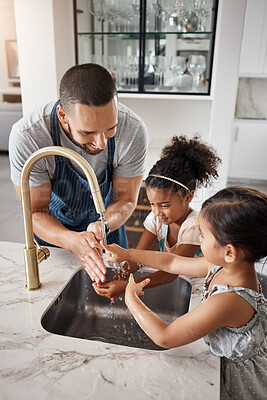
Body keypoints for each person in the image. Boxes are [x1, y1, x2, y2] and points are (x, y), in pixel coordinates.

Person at [100, 187, 267, 400]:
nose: (199, 238)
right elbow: (173, 261)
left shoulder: (229, 300)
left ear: (229, 252)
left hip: (239, 382)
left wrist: (131, 298)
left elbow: (165, 337)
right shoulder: (229, 266)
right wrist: (128, 253)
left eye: (203, 236)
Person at [9, 63, 148, 284]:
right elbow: (36, 212)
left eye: (110, 128)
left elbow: (125, 199)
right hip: (54, 234)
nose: (101, 143)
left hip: (107, 231)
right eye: (88, 132)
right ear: (63, 115)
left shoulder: (133, 130)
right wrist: (72, 240)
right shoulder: (29, 136)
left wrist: (103, 225)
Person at [93, 135, 221, 300]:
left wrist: (128, 287)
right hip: (179, 286)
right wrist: (118, 279)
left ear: (188, 197)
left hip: (198, 292)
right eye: (152, 204)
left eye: (165, 205)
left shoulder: (194, 226)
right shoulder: (157, 219)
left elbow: (171, 272)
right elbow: (137, 256)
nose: (157, 212)